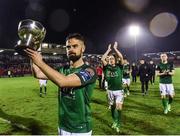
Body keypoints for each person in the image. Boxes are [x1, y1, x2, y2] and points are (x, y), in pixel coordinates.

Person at [25, 33, 97, 135]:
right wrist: (32, 55)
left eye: (75, 46)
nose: (71, 49)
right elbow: (38, 74)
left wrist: (40, 62)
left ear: (83, 48)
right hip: (63, 125)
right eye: (68, 47)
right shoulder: (63, 69)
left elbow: (64, 82)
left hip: (81, 128)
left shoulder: (90, 71)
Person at [101, 42, 124, 133]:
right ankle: (114, 121)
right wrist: (108, 50)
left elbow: (121, 57)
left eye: (112, 58)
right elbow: (103, 58)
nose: (111, 60)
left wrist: (115, 48)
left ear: (115, 60)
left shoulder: (119, 66)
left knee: (119, 107)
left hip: (119, 91)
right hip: (110, 90)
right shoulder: (106, 67)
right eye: (110, 59)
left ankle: (118, 123)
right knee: (113, 107)